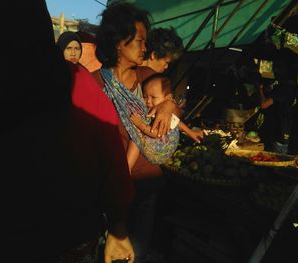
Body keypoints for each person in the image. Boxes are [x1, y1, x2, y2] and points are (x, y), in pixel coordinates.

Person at [0, 1, 135, 262]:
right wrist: (118, 226)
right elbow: (112, 153)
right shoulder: (78, 79)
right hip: (67, 235)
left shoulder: (79, 80)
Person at [91, 3, 180, 262]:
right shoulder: (96, 83)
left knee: (136, 254)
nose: (145, 47)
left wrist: (169, 105)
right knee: (104, 252)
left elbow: (171, 107)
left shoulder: (147, 76)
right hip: (108, 187)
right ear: (119, 42)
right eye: (140, 41)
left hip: (145, 184)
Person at [127, 73, 204, 171]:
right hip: (159, 147)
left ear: (167, 98)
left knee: (135, 134)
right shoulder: (155, 110)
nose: (148, 101)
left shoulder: (164, 115)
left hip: (160, 151)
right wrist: (191, 132)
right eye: (145, 97)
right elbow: (178, 123)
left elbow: (156, 134)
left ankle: (127, 168)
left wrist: (139, 124)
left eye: (153, 97)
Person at [258, 49, 298, 154]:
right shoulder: (289, 86)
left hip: (279, 133)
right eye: (274, 66)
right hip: (281, 131)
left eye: (279, 67)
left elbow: (264, 105)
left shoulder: (284, 88)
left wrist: (260, 89)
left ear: (287, 69)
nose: (275, 70)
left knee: (275, 163)